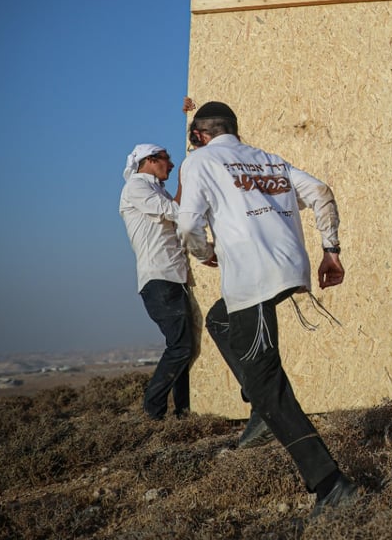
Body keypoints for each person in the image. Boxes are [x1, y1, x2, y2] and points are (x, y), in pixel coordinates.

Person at [176, 101, 359, 516]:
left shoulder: (200, 161)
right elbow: (321, 192)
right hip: (286, 266)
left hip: (252, 276)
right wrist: (330, 251)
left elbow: (188, 225)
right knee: (220, 319)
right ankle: (258, 401)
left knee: (268, 383)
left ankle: (331, 486)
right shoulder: (266, 159)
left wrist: (204, 252)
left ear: (198, 135)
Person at [119, 143, 194, 419]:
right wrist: (187, 175)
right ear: (150, 160)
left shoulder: (155, 189)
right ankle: (153, 410)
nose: (171, 165)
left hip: (173, 277)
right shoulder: (137, 188)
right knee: (180, 346)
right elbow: (178, 211)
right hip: (159, 278)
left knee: (186, 346)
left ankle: (184, 411)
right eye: (167, 159)